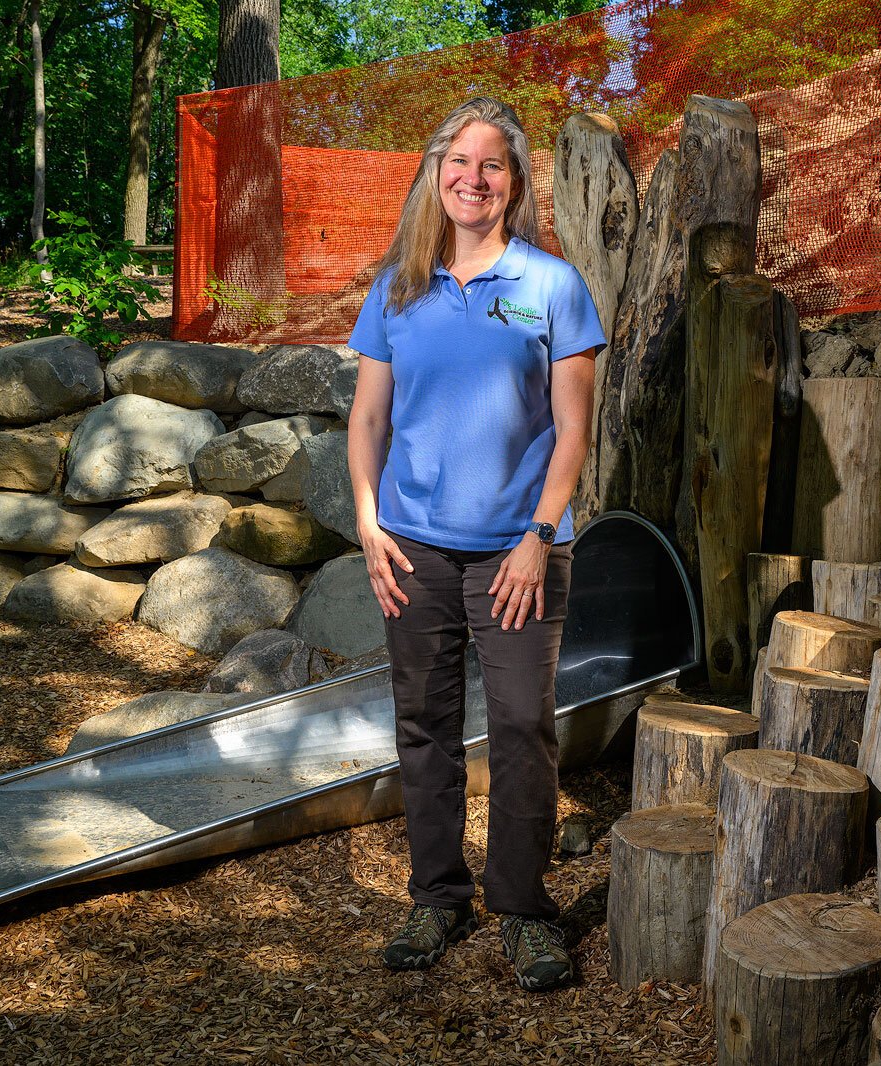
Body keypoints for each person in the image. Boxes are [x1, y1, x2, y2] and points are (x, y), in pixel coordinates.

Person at [345, 96, 605, 993]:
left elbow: (573, 432)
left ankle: (523, 910)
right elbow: (368, 418)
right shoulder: (397, 289)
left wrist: (539, 536)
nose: (473, 178)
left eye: (492, 164)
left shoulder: (551, 286)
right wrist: (369, 525)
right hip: (413, 550)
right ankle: (437, 895)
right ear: (433, 175)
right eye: (458, 161)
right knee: (424, 727)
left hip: (517, 556)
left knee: (524, 729)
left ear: (515, 182)